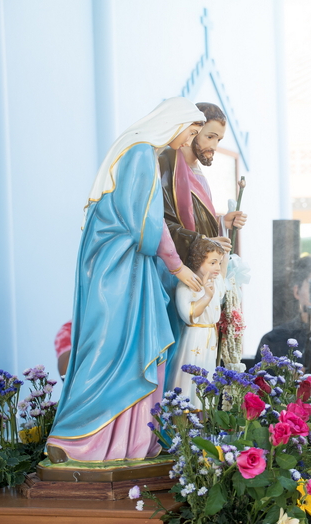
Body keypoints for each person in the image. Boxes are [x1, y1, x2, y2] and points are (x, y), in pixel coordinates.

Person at [48, 98, 205, 463]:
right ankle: (78, 440)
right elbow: (146, 225)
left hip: (125, 266)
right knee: (113, 350)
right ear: (174, 122)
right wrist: (177, 265)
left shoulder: (135, 149)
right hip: (121, 270)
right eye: (192, 131)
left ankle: (129, 443)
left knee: (128, 350)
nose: (189, 140)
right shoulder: (140, 154)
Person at [159, 102, 247, 265]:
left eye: (218, 140)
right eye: (210, 137)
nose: (214, 146)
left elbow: (195, 220)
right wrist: (202, 243)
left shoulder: (197, 172)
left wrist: (223, 222)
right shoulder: (167, 163)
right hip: (172, 266)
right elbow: (161, 222)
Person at [167, 240, 226, 407]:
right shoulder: (186, 285)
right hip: (195, 337)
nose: (217, 268)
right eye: (212, 262)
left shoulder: (216, 282)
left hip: (210, 338)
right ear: (198, 260)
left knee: (208, 375)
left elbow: (223, 277)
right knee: (190, 378)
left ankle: (204, 414)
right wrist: (206, 296)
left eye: (219, 263)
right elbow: (189, 316)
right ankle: (186, 413)